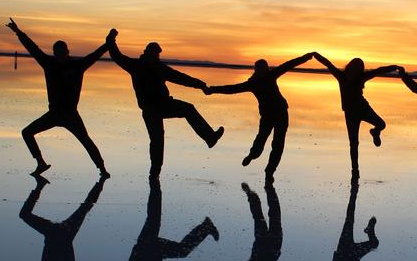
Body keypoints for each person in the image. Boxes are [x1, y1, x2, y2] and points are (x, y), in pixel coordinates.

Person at [107, 35, 224, 178]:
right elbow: (116, 56)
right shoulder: (135, 66)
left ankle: (210, 137)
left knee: (189, 109)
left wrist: (201, 85)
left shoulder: (160, 68)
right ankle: (155, 171)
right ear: (146, 52)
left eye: (157, 54)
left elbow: (180, 77)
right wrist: (111, 39)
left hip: (165, 104)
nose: (156, 56)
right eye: (154, 53)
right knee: (157, 139)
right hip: (150, 109)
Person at [5, 18, 111, 177]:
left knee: (86, 141)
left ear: (67, 52)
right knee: (27, 133)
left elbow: (94, 55)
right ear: (55, 53)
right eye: (57, 52)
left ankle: (102, 170)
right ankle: (40, 162)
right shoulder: (49, 63)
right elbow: (33, 48)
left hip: (70, 114)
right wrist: (18, 32)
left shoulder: (77, 65)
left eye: (62, 51)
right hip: (54, 114)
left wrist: (108, 43)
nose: (60, 54)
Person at [205, 53, 315, 183]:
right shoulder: (253, 83)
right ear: (256, 70)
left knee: (278, 144)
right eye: (260, 69)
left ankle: (269, 172)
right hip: (267, 116)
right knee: (261, 139)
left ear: (266, 68)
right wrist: (213, 89)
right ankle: (252, 155)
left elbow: (289, 64)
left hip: (281, 113)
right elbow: (232, 89)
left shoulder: (271, 75)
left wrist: (307, 57)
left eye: (264, 68)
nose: (263, 71)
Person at [196, 183, 299, 261]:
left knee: (274, 216)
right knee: (260, 217)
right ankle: (253, 194)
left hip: (272, 245)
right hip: (264, 242)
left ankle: (266, 190)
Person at [312, 53, 400, 182]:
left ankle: (375, 132)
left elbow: (378, 71)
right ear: (350, 67)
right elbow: (328, 64)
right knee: (354, 143)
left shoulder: (361, 77)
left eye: (359, 69)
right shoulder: (341, 76)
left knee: (381, 124)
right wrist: (315, 55)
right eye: (355, 68)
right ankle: (355, 170)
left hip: (363, 108)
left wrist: (395, 67)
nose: (356, 71)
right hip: (350, 113)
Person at [300, 182, 385, 261]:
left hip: (344, 250)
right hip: (353, 256)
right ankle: (369, 230)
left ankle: (353, 194)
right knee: (374, 243)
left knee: (349, 220)